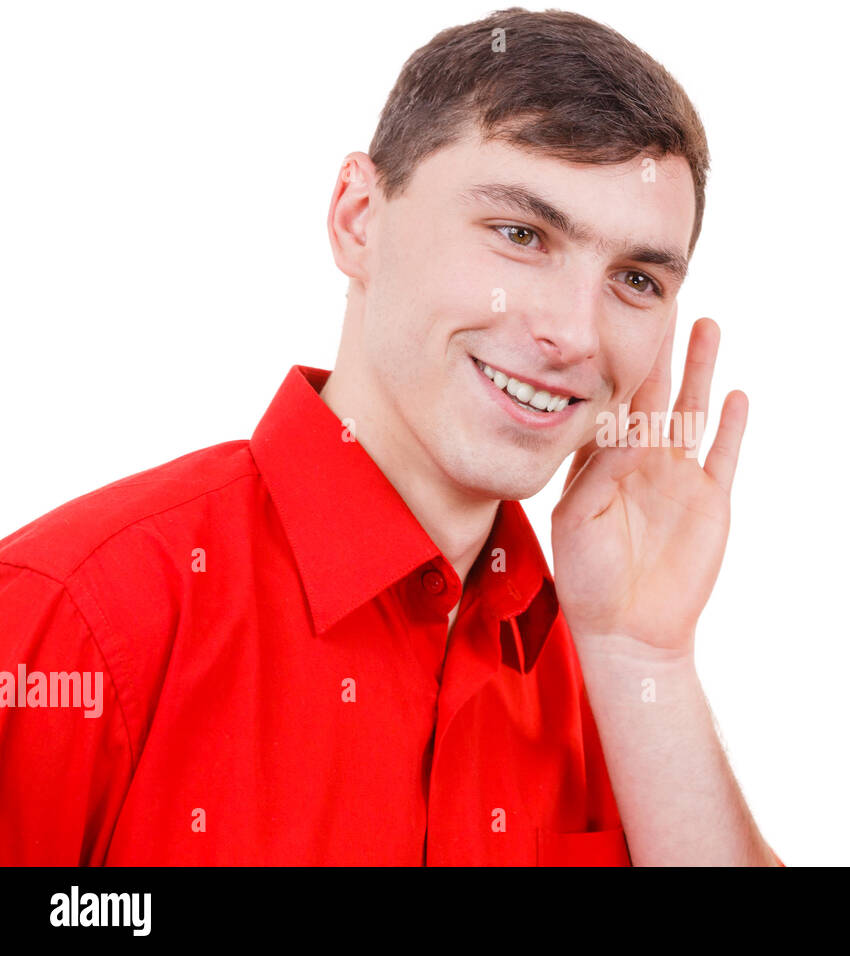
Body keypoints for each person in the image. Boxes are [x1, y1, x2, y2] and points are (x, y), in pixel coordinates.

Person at [0, 7, 779, 866]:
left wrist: (647, 660)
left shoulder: (609, 673)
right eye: (521, 234)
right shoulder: (67, 620)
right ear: (358, 217)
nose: (575, 334)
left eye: (635, 279)